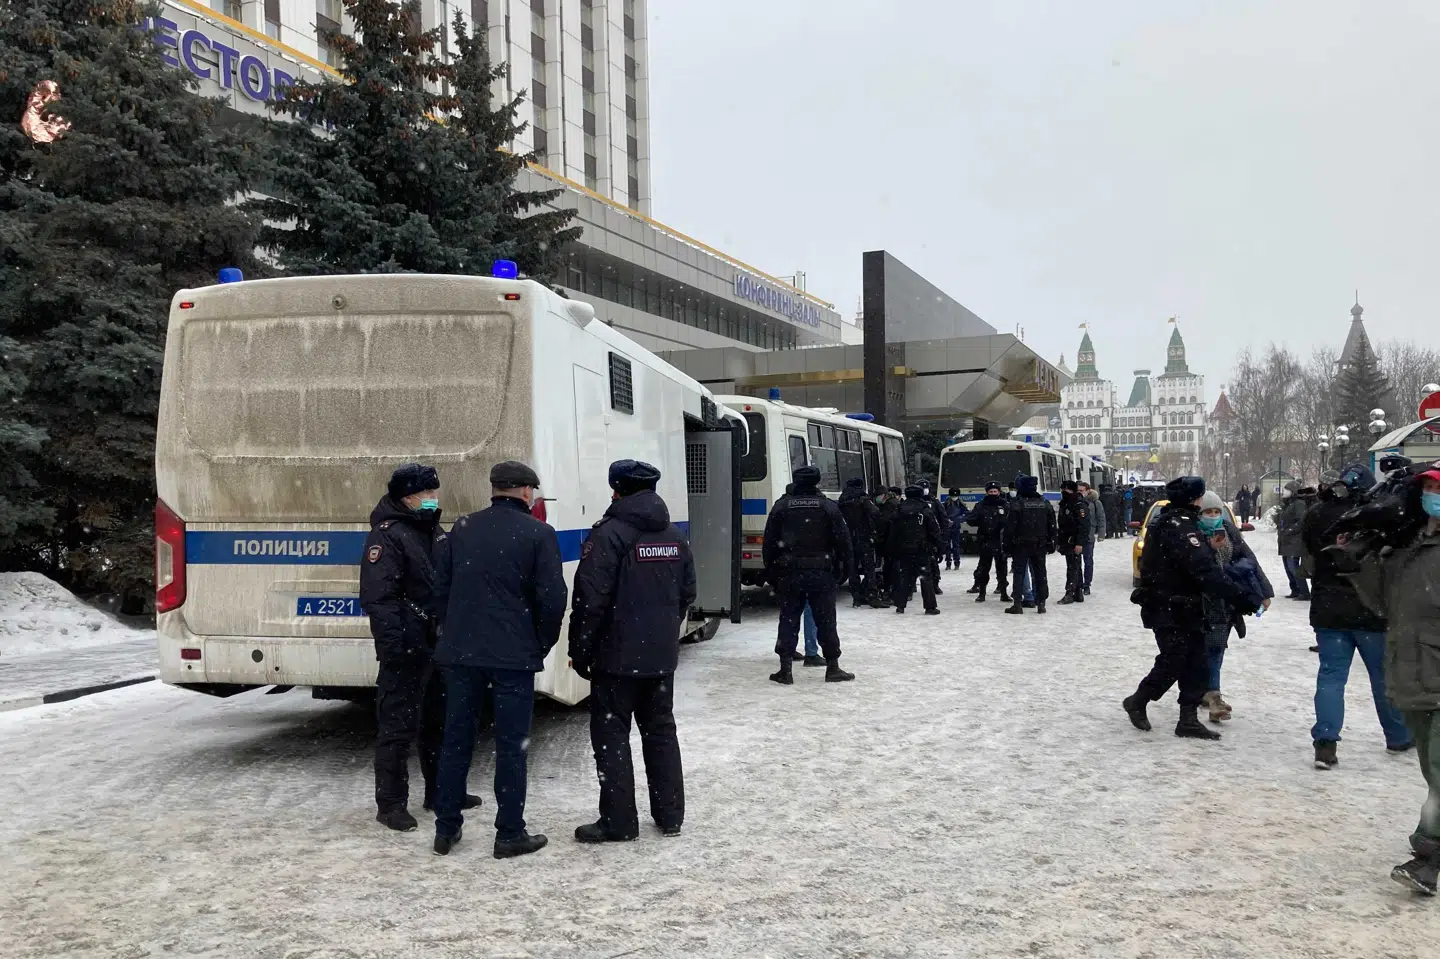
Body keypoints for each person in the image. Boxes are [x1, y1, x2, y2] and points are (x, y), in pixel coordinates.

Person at [431, 461, 567, 859]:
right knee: (511, 746)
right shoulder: (539, 534)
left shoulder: (463, 528)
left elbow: (441, 589)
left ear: (495, 489)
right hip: (513, 656)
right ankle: (509, 832)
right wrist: (539, 644)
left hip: (461, 654)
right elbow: (552, 599)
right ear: (526, 492)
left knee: (456, 740)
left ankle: (446, 828)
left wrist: (451, 631)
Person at [568, 460, 695, 844]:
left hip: (616, 659)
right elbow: (688, 594)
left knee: (611, 737)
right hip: (660, 658)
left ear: (617, 491)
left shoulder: (608, 536)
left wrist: (581, 650)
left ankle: (619, 822)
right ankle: (670, 815)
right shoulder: (673, 535)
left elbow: (590, 600)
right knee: (660, 732)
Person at [361, 463, 473, 832]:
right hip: (406, 647)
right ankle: (391, 803)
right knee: (397, 727)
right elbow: (379, 598)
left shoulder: (432, 529)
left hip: (437, 644)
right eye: (426, 493)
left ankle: (440, 792)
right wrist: (393, 647)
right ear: (407, 497)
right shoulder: (388, 535)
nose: (432, 499)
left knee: (438, 721)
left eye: (433, 493)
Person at [1123, 476, 1258, 741]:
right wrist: (1240, 597)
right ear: (1193, 499)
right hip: (1169, 606)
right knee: (1175, 659)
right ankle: (1139, 699)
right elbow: (1203, 571)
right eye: (1200, 498)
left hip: (1185, 606)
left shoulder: (1176, 522)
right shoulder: (1180, 526)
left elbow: (1187, 562)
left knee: (1197, 660)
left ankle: (1187, 719)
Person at [1303, 465, 1412, 770]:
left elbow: (1312, 549)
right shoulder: (1377, 516)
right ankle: (1398, 735)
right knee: (1382, 676)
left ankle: (1325, 742)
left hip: (1328, 607)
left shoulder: (1317, 514)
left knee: (1331, 676)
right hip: (1371, 609)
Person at [1375, 466, 1440, 895]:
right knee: (1433, 774)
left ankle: (1428, 857)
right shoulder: (1412, 541)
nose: (1433, 494)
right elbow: (1384, 604)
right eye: (1429, 488)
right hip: (1413, 673)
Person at [762, 465, 855, 685]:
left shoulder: (782, 506)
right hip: (821, 572)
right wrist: (843, 571)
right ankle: (832, 666)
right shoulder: (828, 507)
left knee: (788, 618)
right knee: (826, 619)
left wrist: (773, 572)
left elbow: (769, 544)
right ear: (816, 481)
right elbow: (844, 542)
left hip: (789, 572)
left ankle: (785, 669)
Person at [1195, 491, 1273, 723]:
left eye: (1217, 511)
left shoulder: (1229, 531)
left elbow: (1249, 559)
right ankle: (1211, 695)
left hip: (1226, 601)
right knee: (1208, 650)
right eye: (1208, 512)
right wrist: (1210, 548)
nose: (1213, 516)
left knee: (1216, 649)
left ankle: (1209, 694)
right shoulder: (1193, 534)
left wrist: (1264, 592)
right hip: (1201, 602)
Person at [882, 484, 943, 615]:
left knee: (904, 577)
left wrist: (891, 549)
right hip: (922, 549)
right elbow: (934, 530)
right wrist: (939, 547)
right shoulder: (925, 510)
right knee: (925, 577)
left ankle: (900, 605)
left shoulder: (899, 510)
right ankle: (930, 606)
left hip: (903, 549)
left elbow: (893, 532)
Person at [1004, 475, 1055, 615]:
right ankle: (1041, 603)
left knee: (1019, 573)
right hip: (1040, 544)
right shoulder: (1044, 503)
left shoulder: (1017, 504)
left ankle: (1018, 604)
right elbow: (1052, 525)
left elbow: (1010, 527)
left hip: (1021, 544)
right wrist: (1051, 542)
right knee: (1040, 573)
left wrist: (1007, 545)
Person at [838, 476, 885, 608]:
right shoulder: (863, 499)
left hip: (848, 539)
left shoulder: (842, 500)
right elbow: (875, 513)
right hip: (864, 538)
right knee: (869, 568)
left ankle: (856, 597)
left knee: (852, 569)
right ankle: (872, 596)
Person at [966, 481, 1010, 603]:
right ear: (987, 492)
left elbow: (1011, 520)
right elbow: (971, 519)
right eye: (990, 492)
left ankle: (1003, 592)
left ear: (999, 492)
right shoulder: (981, 505)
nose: (993, 494)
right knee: (983, 568)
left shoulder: (1004, 505)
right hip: (985, 540)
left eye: (995, 492)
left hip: (1000, 541)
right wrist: (979, 520)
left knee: (1002, 568)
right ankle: (982, 593)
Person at [1276, 481, 1311, 600]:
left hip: (1294, 540)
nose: (1284, 492)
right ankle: (1295, 589)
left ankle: (1304, 591)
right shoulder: (1288, 504)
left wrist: (1290, 530)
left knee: (1293, 566)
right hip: (1286, 540)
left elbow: (1301, 520)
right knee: (1287, 566)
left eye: (1287, 489)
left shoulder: (1299, 504)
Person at [1057, 480, 1089, 605]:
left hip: (1074, 541)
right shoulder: (1065, 503)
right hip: (1067, 540)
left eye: (1067, 490)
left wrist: (1079, 543)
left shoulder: (1079, 504)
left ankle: (1070, 592)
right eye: (1063, 490)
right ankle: (1078, 592)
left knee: (1073, 567)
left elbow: (1083, 526)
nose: (1064, 492)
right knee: (1075, 566)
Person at [1081, 481, 1105, 593]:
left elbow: (1101, 518)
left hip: (1089, 536)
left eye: (1082, 491)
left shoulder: (1096, 503)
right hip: (1077, 537)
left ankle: (1087, 584)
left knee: (1088, 561)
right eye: (1078, 491)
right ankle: (1077, 583)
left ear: (1088, 491)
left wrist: (1101, 534)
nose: (1080, 493)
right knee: (1075, 563)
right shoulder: (1076, 502)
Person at [944, 489, 968, 571]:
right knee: (947, 545)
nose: (954, 497)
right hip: (947, 527)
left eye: (955, 496)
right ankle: (948, 563)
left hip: (956, 527)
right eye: (953, 496)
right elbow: (942, 514)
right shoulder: (946, 504)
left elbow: (966, 514)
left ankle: (956, 562)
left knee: (956, 545)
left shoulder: (961, 504)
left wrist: (958, 519)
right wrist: (947, 520)